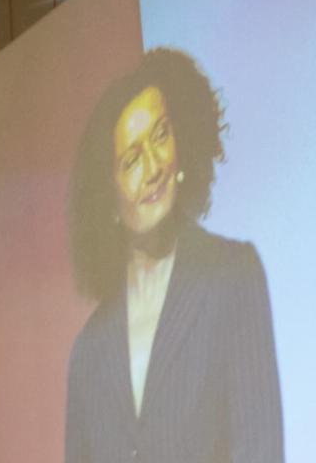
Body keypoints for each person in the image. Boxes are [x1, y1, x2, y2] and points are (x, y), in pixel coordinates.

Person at [64, 48, 283, 462]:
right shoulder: (89, 351)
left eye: (161, 135)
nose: (153, 167)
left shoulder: (231, 274)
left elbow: (260, 448)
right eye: (131, 160)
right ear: (107, 196)